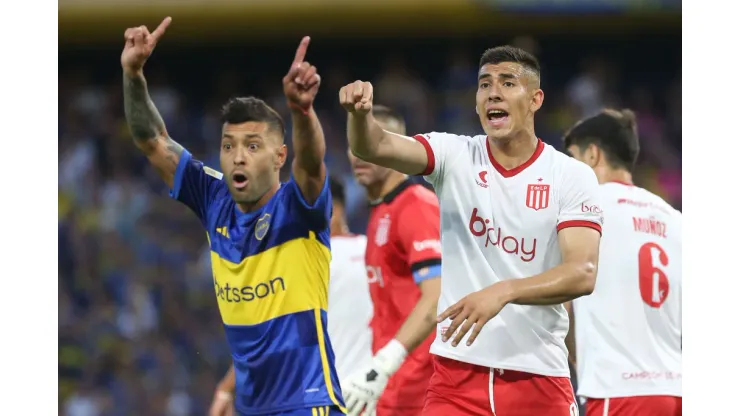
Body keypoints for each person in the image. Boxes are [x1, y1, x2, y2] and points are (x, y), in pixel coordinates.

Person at [340, 46, 604, 415]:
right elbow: (374, 145)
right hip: (455, 378)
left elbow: (582, 273)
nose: (493, 92)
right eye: (484, 85)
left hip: (537, 376)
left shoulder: (571, 175)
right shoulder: (454, 155)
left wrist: (504, 291)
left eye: (507, 83)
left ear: (535, 99)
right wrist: (358, 115)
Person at [121, 17, 345, 416]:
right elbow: (151, 139)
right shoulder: (214, 199)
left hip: (307, 403)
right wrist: (133, 73)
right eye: (229, 145)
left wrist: (302, 112)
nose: (238, 155)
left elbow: (311, 163)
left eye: (253, 145)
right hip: (249, 407)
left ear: (279, 156)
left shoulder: (299, 208)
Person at [210, 177, 373, 416]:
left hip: (321, 398)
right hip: (373, 396)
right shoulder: (374, 253)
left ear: (332, 210)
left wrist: (226, 387)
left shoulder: (304, 262)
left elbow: (269, 333)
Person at [563, 109, 682, 416]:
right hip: (679, 388)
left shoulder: (584, 212)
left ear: (592, 155)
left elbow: (560, 307)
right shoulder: (676, 220)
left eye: (572, 159)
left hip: (620, 391)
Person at [341, 106, 442, 416]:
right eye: (353, 144)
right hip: (392, 387)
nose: (359, 154)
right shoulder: (381, 210)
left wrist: (384, 365)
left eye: (370, 143)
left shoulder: (415, 204)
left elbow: (436, 296)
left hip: (420, 388)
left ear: (395, 147)